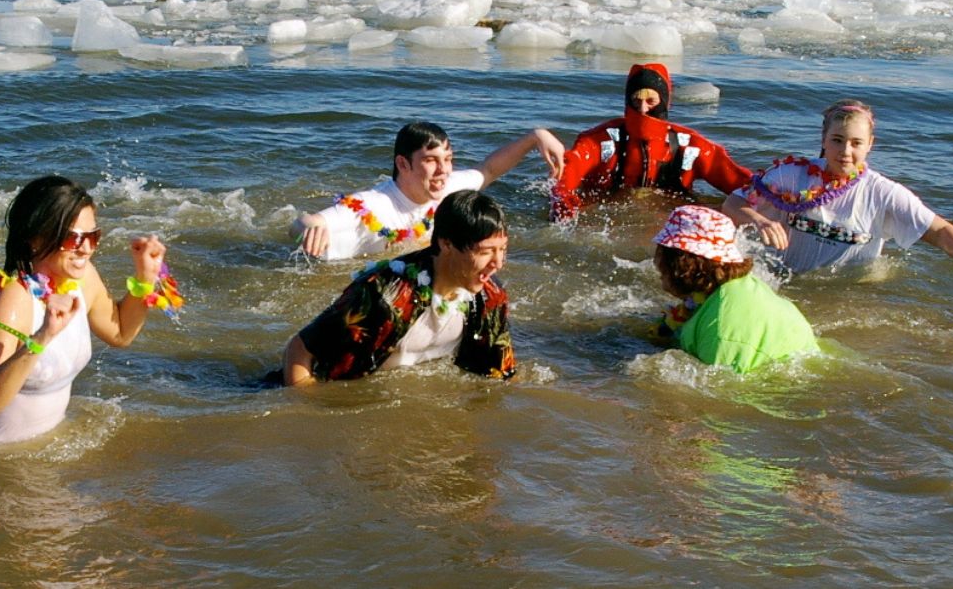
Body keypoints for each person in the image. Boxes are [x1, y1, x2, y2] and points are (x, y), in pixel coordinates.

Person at [0, 175, 182, 451]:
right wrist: (43, 336)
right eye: (72, 238)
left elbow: (120, 333)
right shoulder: (16, 299)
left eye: (92, 236)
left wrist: (145, 279)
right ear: (35, 238)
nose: (86, 248)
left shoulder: (83, 278)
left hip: (30, 450)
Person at [721, 99, 953, 283]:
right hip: (780, 277)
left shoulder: (884, 193)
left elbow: (938, 229)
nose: (845, 152)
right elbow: (733, 204)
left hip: (845, 289)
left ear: (870, 144)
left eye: (856, 143)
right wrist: (758, 219)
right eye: (837, 140)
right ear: (823, 140)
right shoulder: (789, 174)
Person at [284, 190, 514, 385]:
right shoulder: (384, 295)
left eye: (502, 249)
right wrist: (310, 411)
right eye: (485, 252)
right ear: (446, 244)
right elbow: (300, 349)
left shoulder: (489, 295)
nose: (498, 263)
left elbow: (499, 371)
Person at [294, 121, 564, 261]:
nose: (443, 170)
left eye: (447, 159)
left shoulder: (450, 187)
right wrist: (309, 227)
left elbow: (489, 170)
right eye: (431, 161)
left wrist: (535, 137)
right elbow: (303, 222)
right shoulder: (373, 206)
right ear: (403, 163)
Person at [550, 63, 751, 222]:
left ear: (664, 102)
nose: (643, 109)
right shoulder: (599, 140)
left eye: (650, 102)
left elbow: (742, 185)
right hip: (609, 221)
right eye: (636, 101)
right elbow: (566, 178)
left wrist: (774, 198)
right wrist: (564, 213)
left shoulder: (691, 147)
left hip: (670, 221)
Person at [653, 205, 818, 372]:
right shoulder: (736, 286)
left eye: (662, 252)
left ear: (682, 263)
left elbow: (717, 391)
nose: (657, 263)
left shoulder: (722, 331)